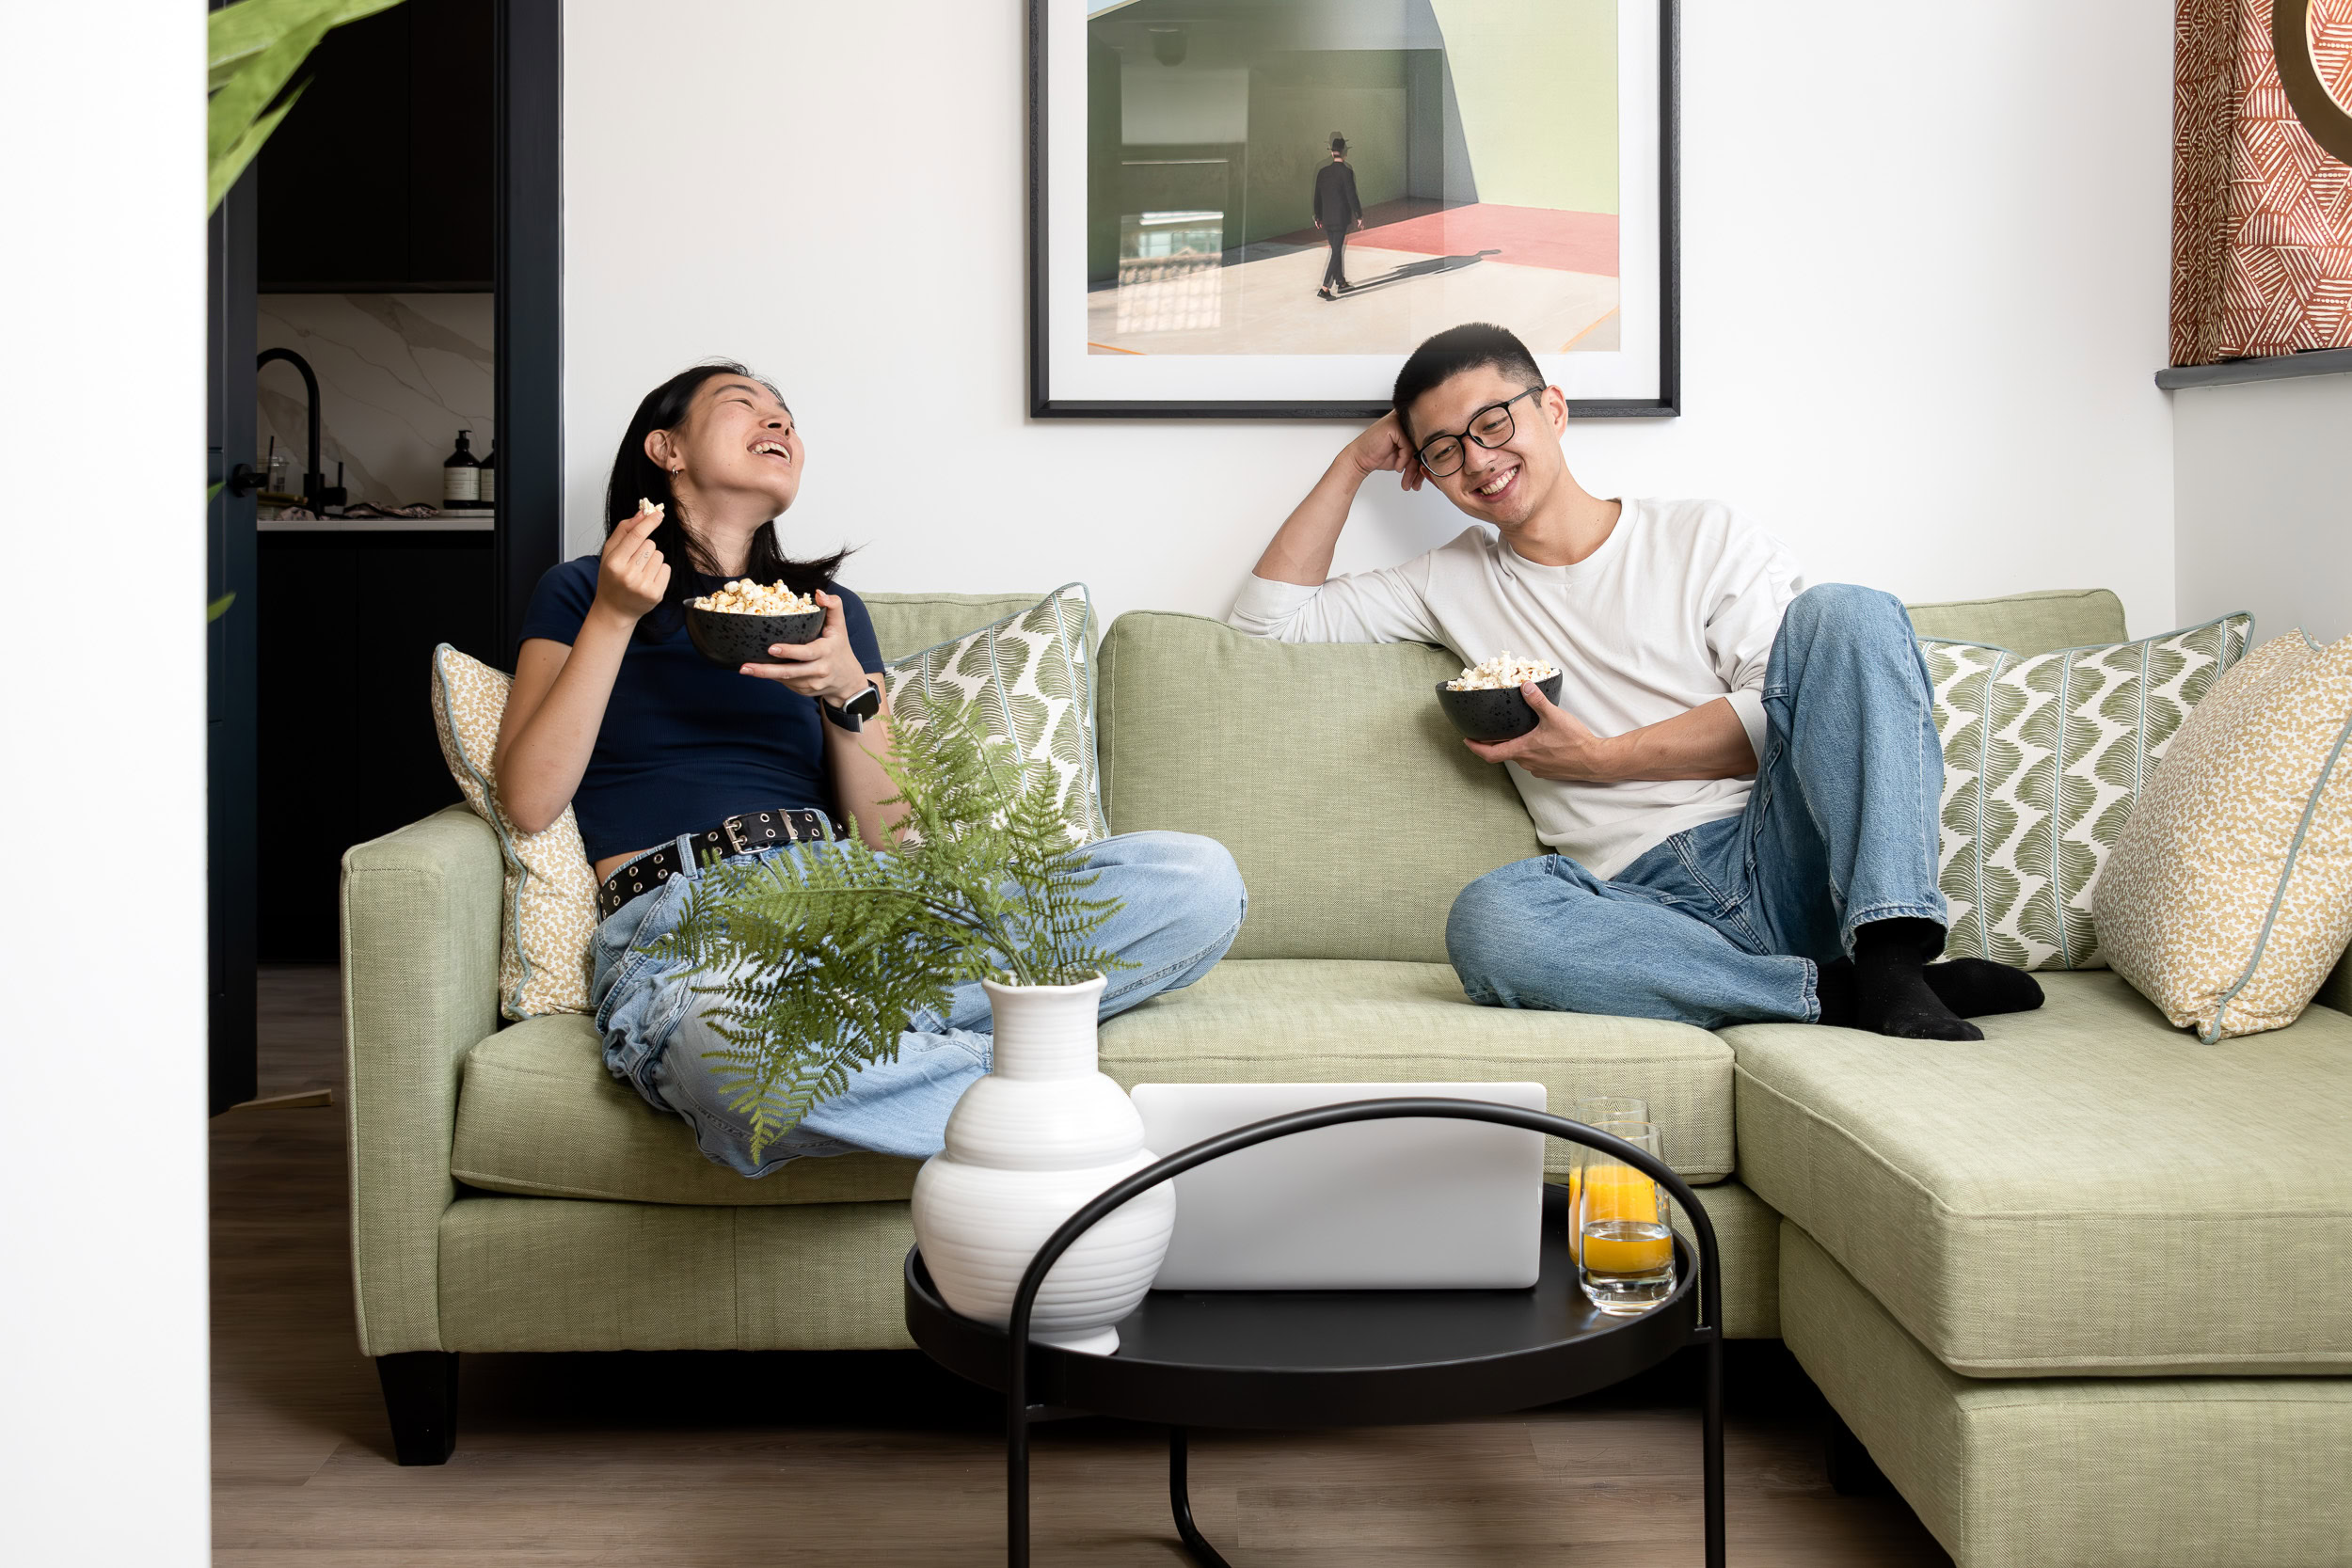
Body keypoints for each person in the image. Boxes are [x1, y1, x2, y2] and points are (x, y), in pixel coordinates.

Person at [495, 361, 1245, 1174]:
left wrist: (848, 693)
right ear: (665, 447)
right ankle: (1042, 1108)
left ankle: (892, 1057)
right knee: (725, 1049)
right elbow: (529, 799)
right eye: (745, 406)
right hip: (693, 925)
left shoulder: (829, 612)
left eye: (787, 416)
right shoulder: (579, 590)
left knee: (1196, 880)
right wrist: (615, 613)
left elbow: (891, 842)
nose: (779, 423)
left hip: (862, 902)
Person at [1228, 323, 2042, 1038]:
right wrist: (1353, 459)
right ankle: (1833, 993)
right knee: (1491, 922)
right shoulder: (1444, 582)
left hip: (1780, 850)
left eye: (1493, 422)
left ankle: (1894, 958)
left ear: (1552, 409)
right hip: (1643, 911)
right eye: (1444, 449)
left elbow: (1792, 714)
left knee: (1849, 611)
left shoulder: (1701, 535)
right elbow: (1265, 626)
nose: (1478, 459)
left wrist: (1605, 760)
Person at [1311, 132, 1363, 302]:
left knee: (1336, 249)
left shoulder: (1322, 172)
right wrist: (1358, 215)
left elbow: (1317, 196)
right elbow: (1351, 196)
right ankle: (1325, 287)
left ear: (1331, 152)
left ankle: (1340, 282)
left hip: (1327, 219)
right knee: (1336, 252)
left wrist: (1317, 216)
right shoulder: (1346, 172)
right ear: (1344, 152)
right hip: (1341, 219)